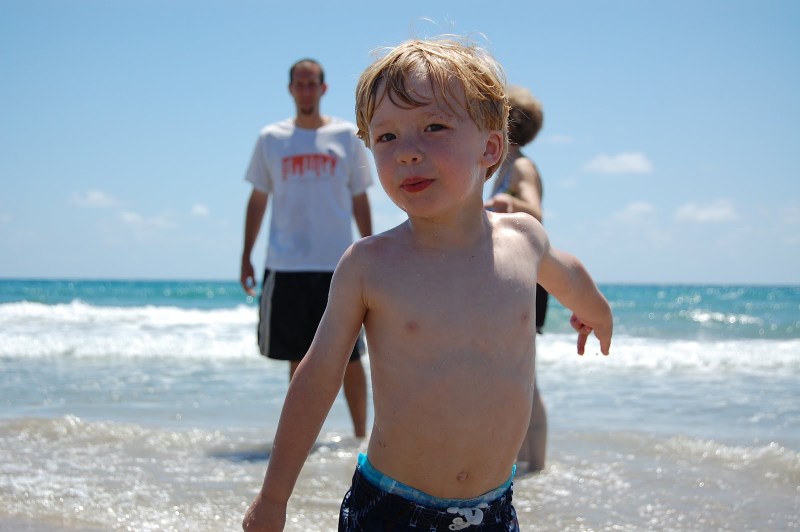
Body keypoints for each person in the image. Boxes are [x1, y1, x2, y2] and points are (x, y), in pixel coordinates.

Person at [242, 37, 612, 532]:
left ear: (491, 147)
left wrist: (598, 311)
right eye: (387, 138)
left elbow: (567, 272)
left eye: (433, 127)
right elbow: (318, 376)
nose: (407, 154)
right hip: (391, 508)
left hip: (494, 509)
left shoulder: (523, 240)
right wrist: (273, 497)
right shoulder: (370, 265)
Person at [240, 58, 373, 439]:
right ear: (290, 89)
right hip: (286, 264)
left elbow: (360, 198)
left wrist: (370, 247)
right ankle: (303, 439)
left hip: (338, 264)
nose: (306, 89)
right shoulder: (271, 139)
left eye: (312, 83)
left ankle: (360, 438)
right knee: (299, 359)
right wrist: (246, 255)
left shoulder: (346, 137)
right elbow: (258, 198)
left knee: (350, 356)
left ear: (323, 89)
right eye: (299, 83)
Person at [485, 85, 549, 474]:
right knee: (513, 374)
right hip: (513, 274)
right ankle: (523, 463)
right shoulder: (504, 165)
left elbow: (535, 211)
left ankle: (536, 466)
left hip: (529, 275)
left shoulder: (521, 166)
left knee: (526, 376)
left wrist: (505, 203)